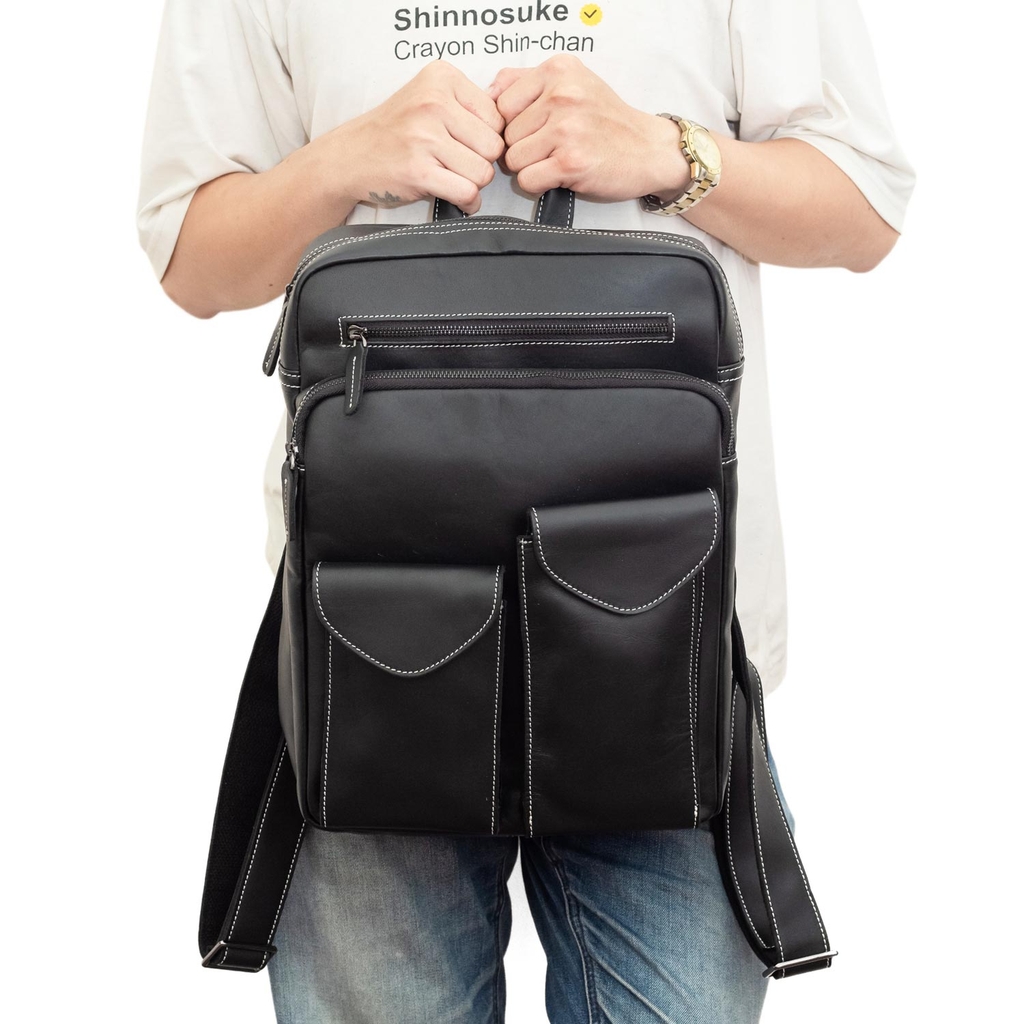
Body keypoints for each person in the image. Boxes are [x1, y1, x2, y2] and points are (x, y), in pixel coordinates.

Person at [137, 2, 915, 1021]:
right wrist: (341, 163)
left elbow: (866, 207)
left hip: (663, 643)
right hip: (366, 654)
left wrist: (668, 152)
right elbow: (192, 261)